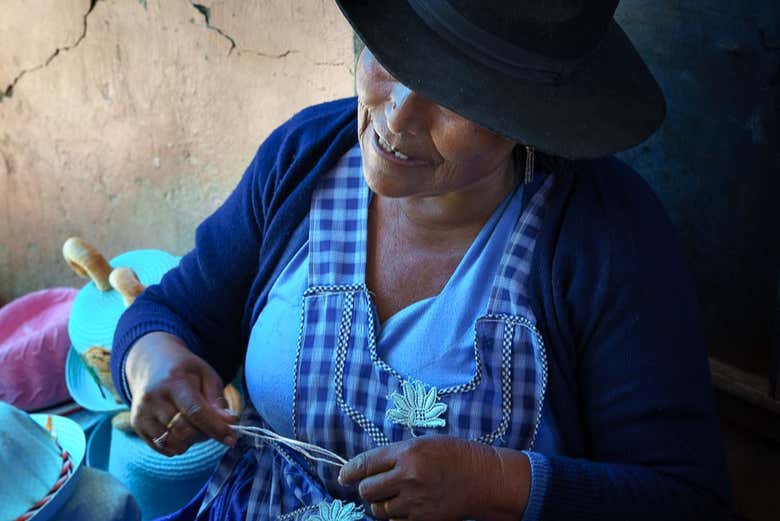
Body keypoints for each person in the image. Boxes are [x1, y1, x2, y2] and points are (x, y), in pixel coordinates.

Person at [110, 1, 732, 519]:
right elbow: (173, 314)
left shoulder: (607, 237)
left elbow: (686, 499)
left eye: (456, 97)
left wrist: (497, 482)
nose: (398, 114)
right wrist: (154, 363)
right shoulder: (302, 159)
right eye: (394, 58)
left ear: (528, 119)